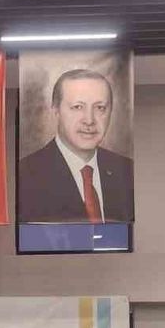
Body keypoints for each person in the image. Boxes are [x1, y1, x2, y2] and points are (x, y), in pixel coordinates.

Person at [17, 68, 134, 224]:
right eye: (78, 107)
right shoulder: (26, 174)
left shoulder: (126, 170)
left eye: (100, 108)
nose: (89, 120)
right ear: (56, 111)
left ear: (110, 112)